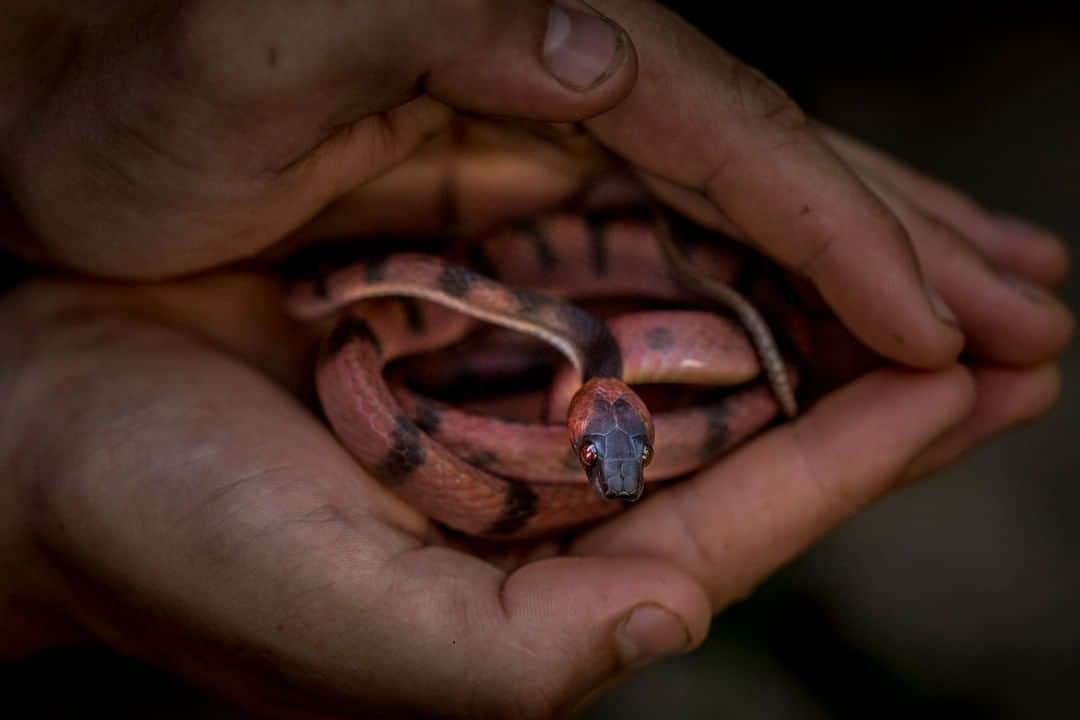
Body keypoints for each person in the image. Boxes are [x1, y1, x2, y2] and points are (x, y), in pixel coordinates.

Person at [0, 1, 1071, 717]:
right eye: (611, 457)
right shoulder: (490, 346)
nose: (610, 467)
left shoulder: (595, 374)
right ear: (602, 415)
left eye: (617, 460)